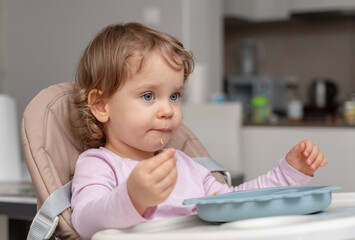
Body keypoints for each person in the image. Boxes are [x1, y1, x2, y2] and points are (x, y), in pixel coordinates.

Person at [71, 22, 328, 240]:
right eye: (148, 95)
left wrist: (288, 175)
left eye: (174, 95)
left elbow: (234, 202)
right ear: (101, 106)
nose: (168, 110)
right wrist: (132, 197)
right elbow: (85, 220)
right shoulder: (99, 164)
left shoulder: (186, 166)